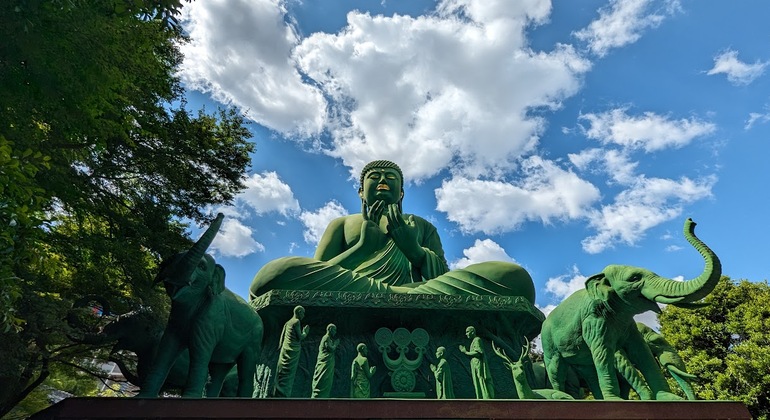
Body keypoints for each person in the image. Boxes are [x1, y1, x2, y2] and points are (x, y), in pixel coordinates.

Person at [250, 160, 536, 300]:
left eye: (391, 177)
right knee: (276, 274)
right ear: (361, 192)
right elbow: (319, 273)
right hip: (357, 291)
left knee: (513, 278)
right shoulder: (341, 224)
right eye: (375, 177)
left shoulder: (421, 226)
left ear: (401, 193)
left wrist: (413, 250)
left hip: (420, 293)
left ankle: (401, 298)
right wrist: (363, 248)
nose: (383, 180)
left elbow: (442, 278)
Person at [273, 305, 309, 397]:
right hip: (293, 351)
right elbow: (300, 337)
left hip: (285, 350)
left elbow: (282, 338)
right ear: (299, 312)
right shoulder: (296, 321)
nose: (304, 315)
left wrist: (280, 347)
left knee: (281, 372)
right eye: (303, 313)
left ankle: (277, 392)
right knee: (288, 375)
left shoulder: (288, 322)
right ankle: (284, 394)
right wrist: (305, 332)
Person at [459, 326, 495, 399]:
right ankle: (480, 397)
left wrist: (465, 352)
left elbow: (478, 353)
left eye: (467, 332)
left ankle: (486, 397)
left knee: (481, 379)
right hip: (474, 363)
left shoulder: (477, 340)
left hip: (478, 363)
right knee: (476, 381)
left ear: (472, 332)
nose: (466, 334)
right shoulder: (473, 341)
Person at [311, 323, 340, 398]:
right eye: (334, 330)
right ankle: (319, 396)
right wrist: (336, 344)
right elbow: (331, 349)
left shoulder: (329, 339)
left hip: (328, 363)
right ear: (330, 329)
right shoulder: (326, 337)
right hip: (324, 363)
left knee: (327, 381)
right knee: (323, 379)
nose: (335, 332)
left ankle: (324, 396)